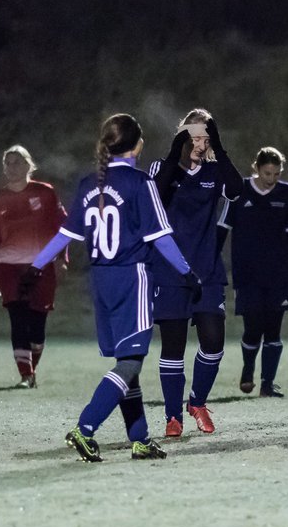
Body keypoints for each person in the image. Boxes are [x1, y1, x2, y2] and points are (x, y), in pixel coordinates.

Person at [24, 113, 200, 463]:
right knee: (131, 361)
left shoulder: (90, 183)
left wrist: (35, 265)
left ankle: (140, 439)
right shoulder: (140, 183)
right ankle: (85, 428)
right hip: (131, 278)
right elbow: (160, 237)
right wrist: (187, 272)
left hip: (100, 281)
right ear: (137, 145)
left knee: (126, 360)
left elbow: (66, 235)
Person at [146, 108, 243, 439]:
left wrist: (220, 144)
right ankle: (173, 416)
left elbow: (237, 190)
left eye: (206, 137)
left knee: (214, 343)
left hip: (208, 271)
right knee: (172, 348)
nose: (200, 144)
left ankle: (197, 402)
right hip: (170, 271)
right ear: (182, 137)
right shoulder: (163, 167)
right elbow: (156, 197)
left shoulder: (215, 172)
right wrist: (176, 152)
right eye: (195, 137)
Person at [0, 145, 68, 388]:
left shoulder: (45, 193)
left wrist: (62, 258)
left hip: (41, 265)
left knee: (37, 323)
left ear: (29, 165)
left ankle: (31, 369)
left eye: (17, 162)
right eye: (8, 163)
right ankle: (25, 375)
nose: (12, 167)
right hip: (9, 266)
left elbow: (63, 228)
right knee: (18, 319)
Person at [219, 147, 288, 398]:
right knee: (253, 328)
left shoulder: (287, 193)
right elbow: (222, 228)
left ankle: (267, 384)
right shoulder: (239, 191)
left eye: (276, 174)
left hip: (279, 274)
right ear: (256, 168)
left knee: (274, 329)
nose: (271, 179)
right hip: (248, 274)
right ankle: (247, 370)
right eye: (267, 173)